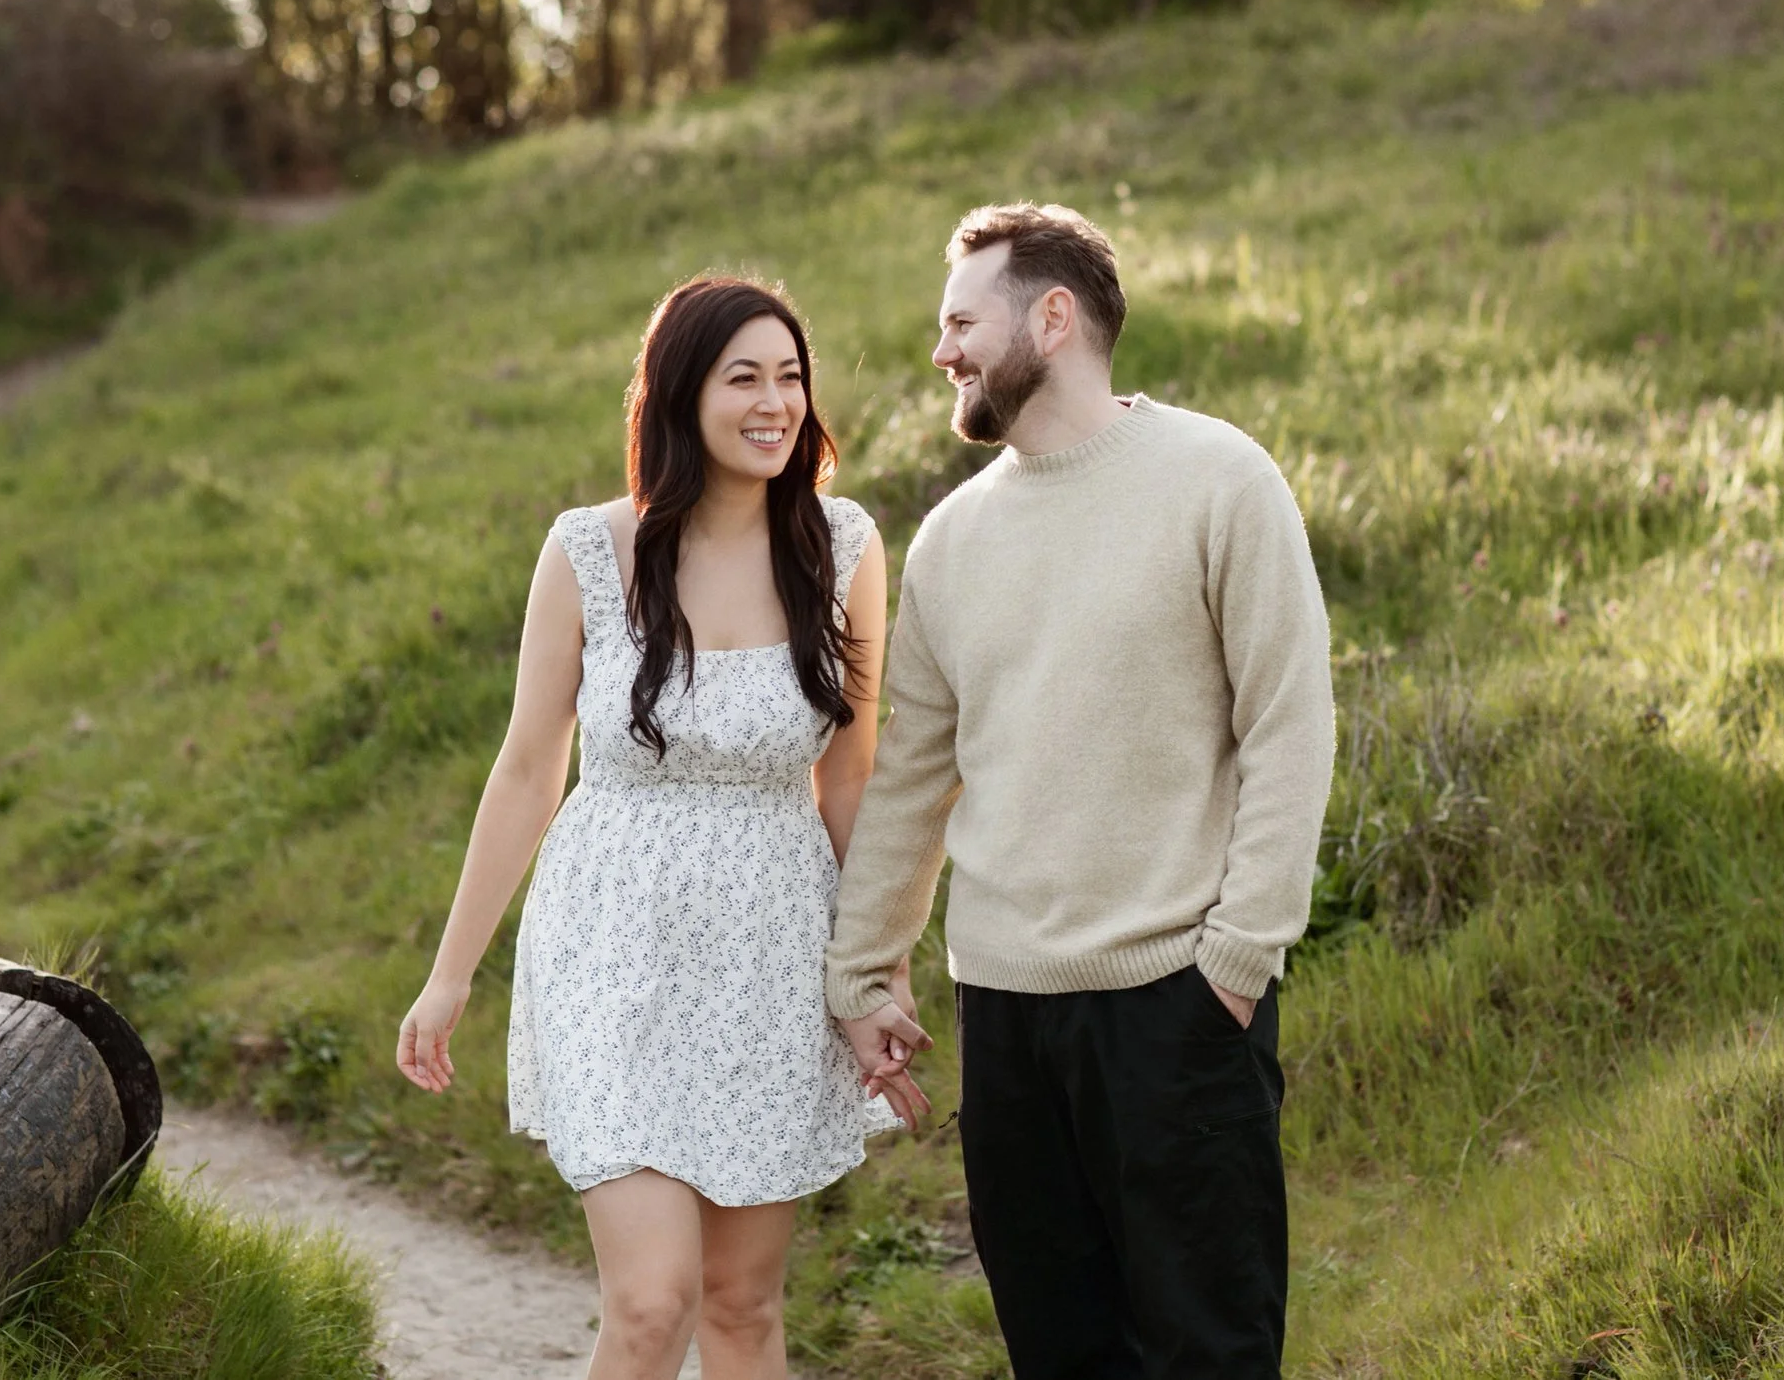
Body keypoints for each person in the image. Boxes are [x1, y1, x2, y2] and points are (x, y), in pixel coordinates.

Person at [826, 203, 1335, 1379]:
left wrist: (1240, 955)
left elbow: (1288, 723)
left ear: (1051, 317)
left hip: (1179, 1003)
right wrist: (860, 970)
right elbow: (910, 778)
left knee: (1207, 1349)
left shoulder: (1218, 479)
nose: (941, 351)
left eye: (961, 320)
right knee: (1059, 1354)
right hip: (1005, 1015)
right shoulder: (952, 539)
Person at [397, 276, 925, 1380]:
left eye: (791, 377)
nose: (774, 402)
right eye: (744, 377)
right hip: (612, 946)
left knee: (740, 1304)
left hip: (771, 954)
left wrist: (878, 973)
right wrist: (451, 975)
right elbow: (529, 767)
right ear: (679, 395)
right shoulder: (590, 551)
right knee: (651, 1305)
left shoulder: (843, 546)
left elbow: (851, 779)